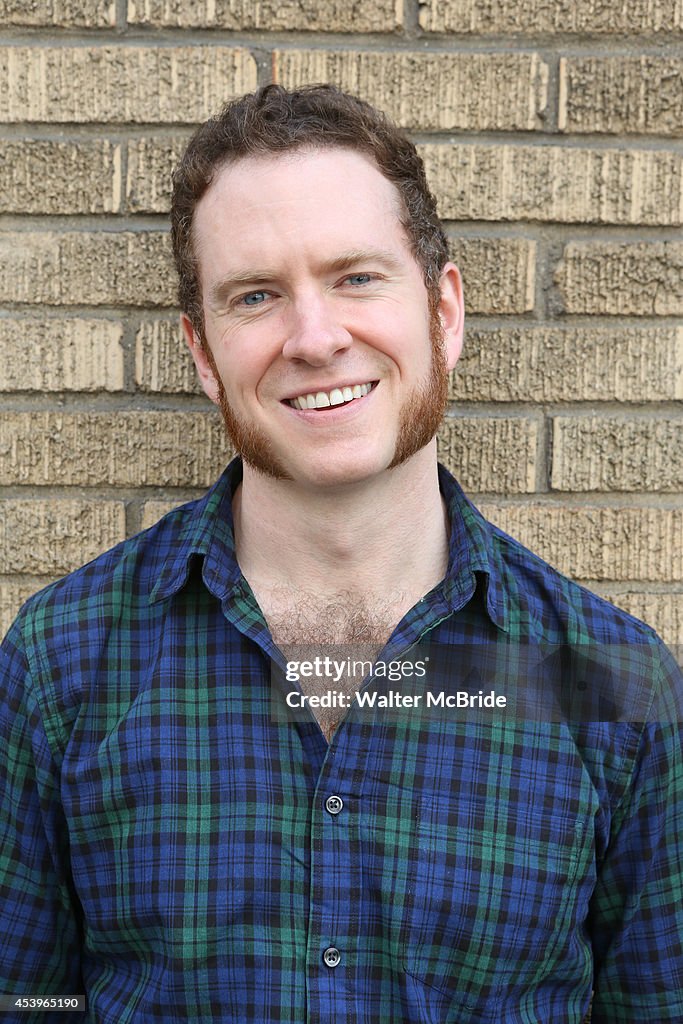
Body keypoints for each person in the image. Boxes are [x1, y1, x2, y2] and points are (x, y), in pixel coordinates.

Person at [1, 84, 681, 1023]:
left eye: (357, 277)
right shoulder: (62, 663)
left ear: (444, 311)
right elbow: (26, 1002)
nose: (316, 338)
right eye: (256, 296)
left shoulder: (606, 679)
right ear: (203, 354)